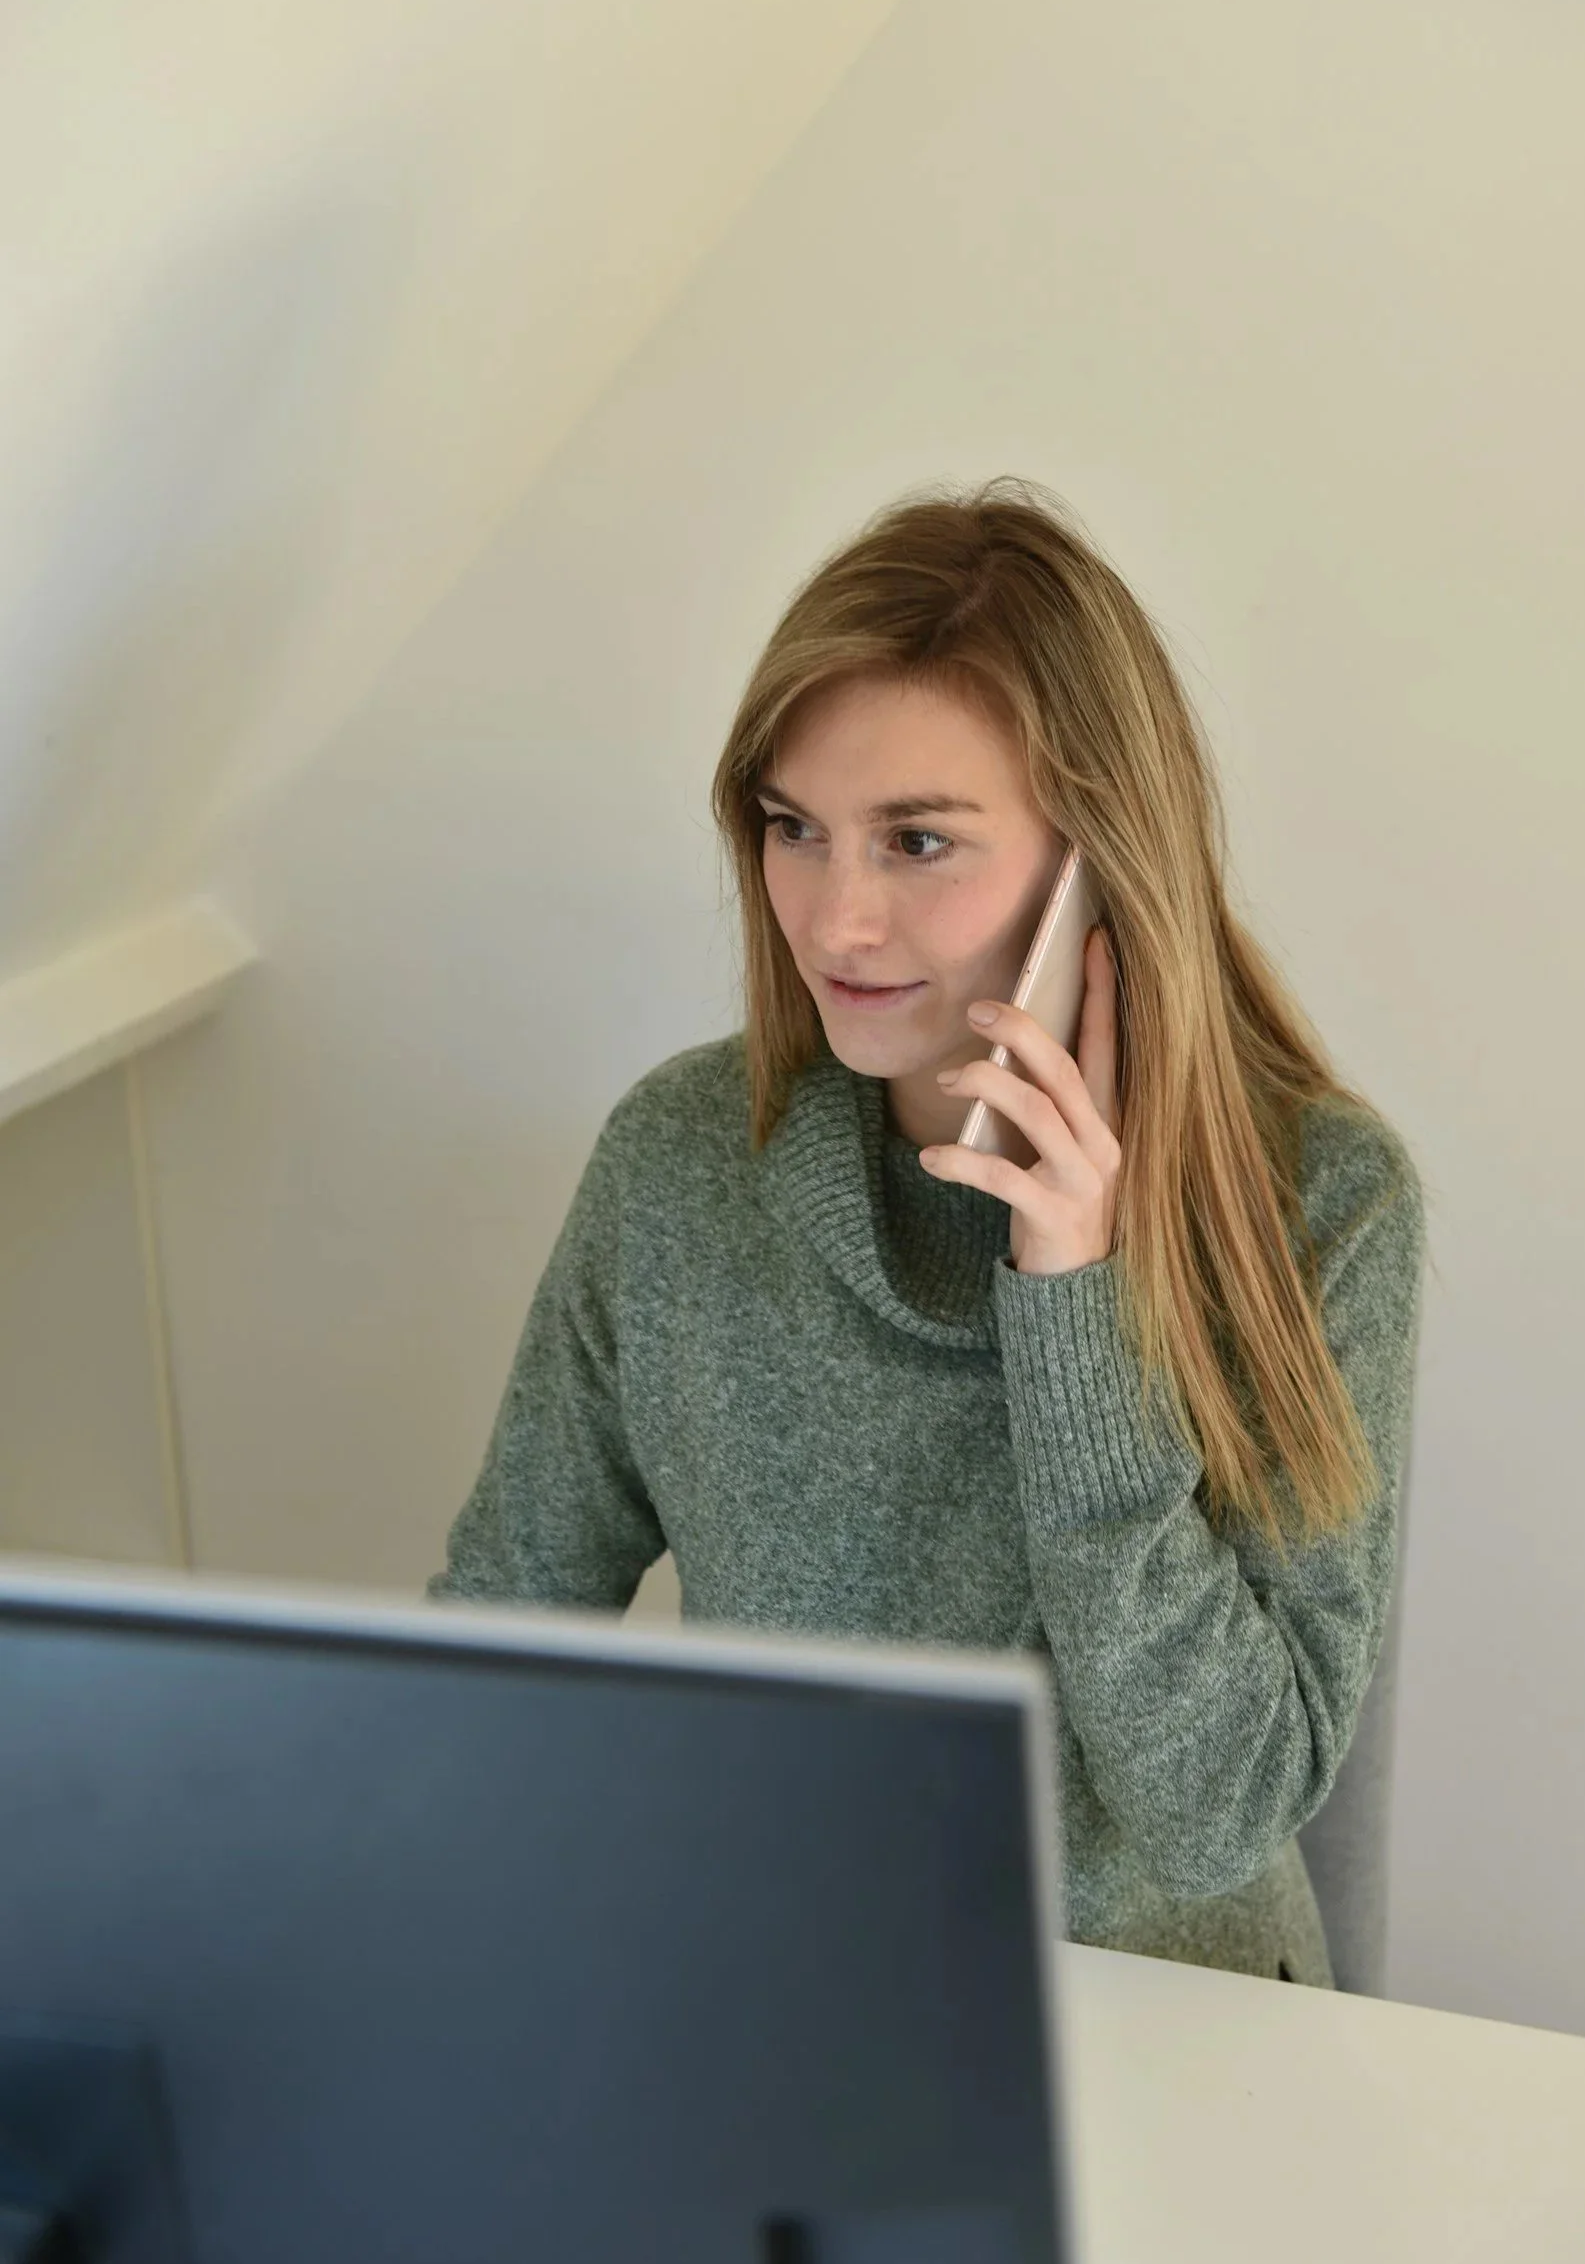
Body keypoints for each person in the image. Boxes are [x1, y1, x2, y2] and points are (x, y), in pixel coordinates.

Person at [427, 475, 1426, 1988]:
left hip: (1184, 2041)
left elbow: (1222, 1809)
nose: (832, 923)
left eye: (917, 843)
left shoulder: (1325, 1207)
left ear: (1097, 861)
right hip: (786, 2000)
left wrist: (1073, 1302)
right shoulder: (682, 1161)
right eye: (792, 830)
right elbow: (500, 1639)